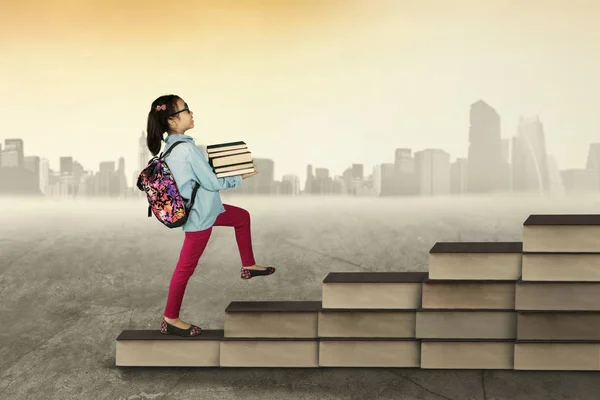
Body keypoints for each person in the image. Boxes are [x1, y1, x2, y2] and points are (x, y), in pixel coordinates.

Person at [146, 94, 276, 337]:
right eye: (186, 110)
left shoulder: (171, 148)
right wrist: (242, 175)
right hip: (199, 218)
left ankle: (248, 265)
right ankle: (170, 319)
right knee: (185, 269)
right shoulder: (186, 149)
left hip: (208, 210)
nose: (191, 113)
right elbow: (212, 182)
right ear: (173, 121)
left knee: (241, 217)